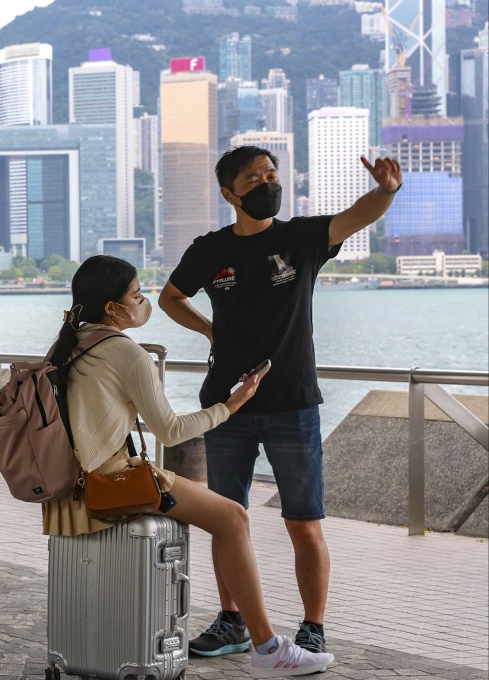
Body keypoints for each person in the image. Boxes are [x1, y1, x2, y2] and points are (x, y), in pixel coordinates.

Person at [158, 146, 402, 659]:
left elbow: (358, 216)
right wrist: (211, 331)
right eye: (254, 178)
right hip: (227, 406)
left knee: (304, 523)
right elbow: (170, 297)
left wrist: (385, 191)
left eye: (272, 174)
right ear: (230, 193)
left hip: (293, 402)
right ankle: (231, 622)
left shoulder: (300, 238)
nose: (268, 183)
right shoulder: (210, 248)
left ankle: (313, 627)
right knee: (224, 517)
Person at [43, 254, 334, 677]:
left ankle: (244, 631)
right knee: (232, 517)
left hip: (66, 491)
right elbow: (172, 431)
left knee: (228, 515)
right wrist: (230, 405)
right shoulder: (123, 351)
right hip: (110, 483)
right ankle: (268, 649)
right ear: (112, 308)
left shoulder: (67, 345)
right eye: (138, 295)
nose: (144, 302)